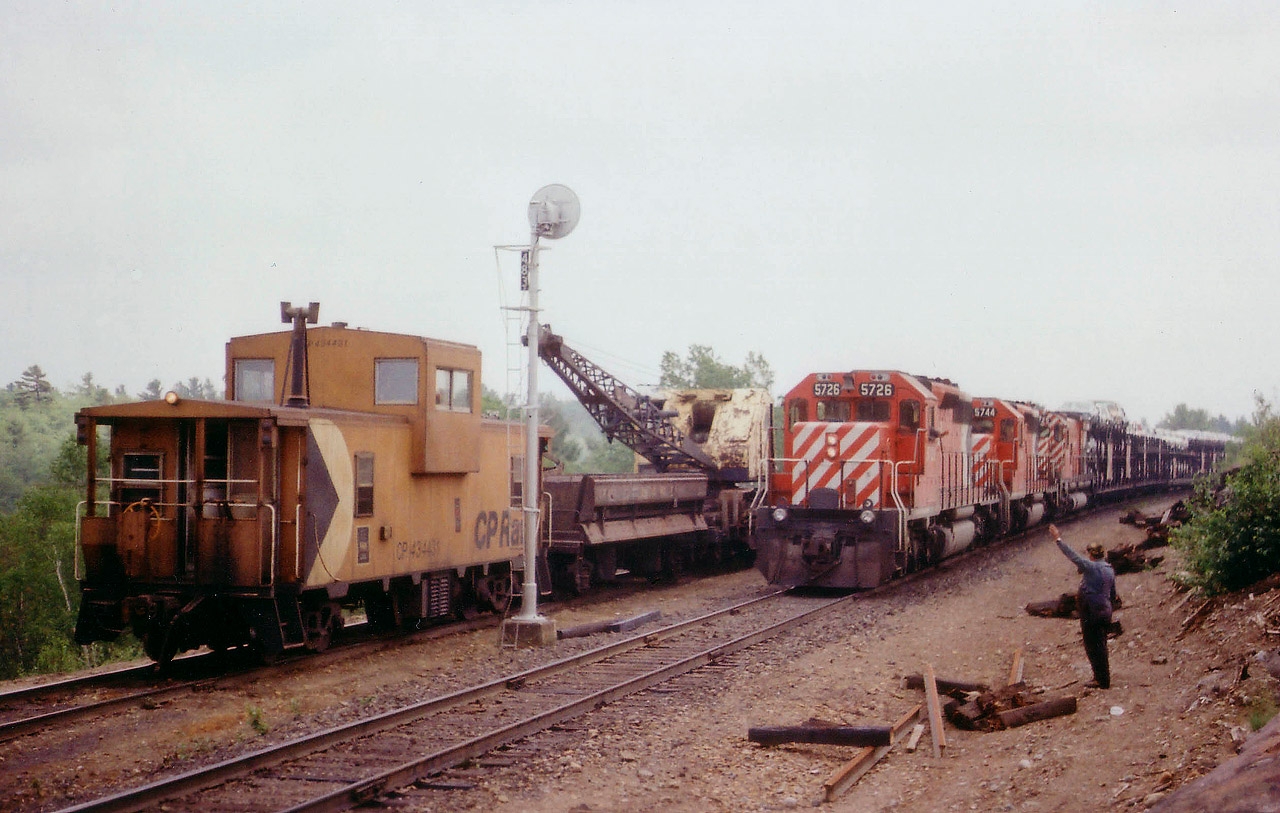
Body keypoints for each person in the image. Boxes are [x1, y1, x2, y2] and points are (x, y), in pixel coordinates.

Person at [1048, 523, 1118, 689]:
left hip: (1092, 613)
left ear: (1092, 555)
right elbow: (1113, 594)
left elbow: (1073, 556)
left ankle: (1101, 680)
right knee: (1101, 645)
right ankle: (1103, 676)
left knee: (1093, 646)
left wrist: (1058, 539)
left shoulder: (1092, 567)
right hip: (1105, 612)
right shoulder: (1109, 569)